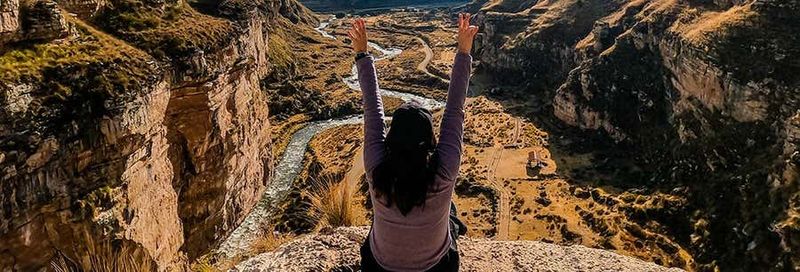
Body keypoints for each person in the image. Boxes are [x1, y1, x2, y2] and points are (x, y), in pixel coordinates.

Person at [348, 13, 479, 272]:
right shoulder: (443, 171)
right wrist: (464, 51)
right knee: (450, 212)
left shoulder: (377, 168)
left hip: (380, 267)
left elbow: (372, 110)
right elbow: (455, 110)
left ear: (392, 137)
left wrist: (362, 54)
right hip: (435, 269)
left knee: (379, 221)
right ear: (429, 140)